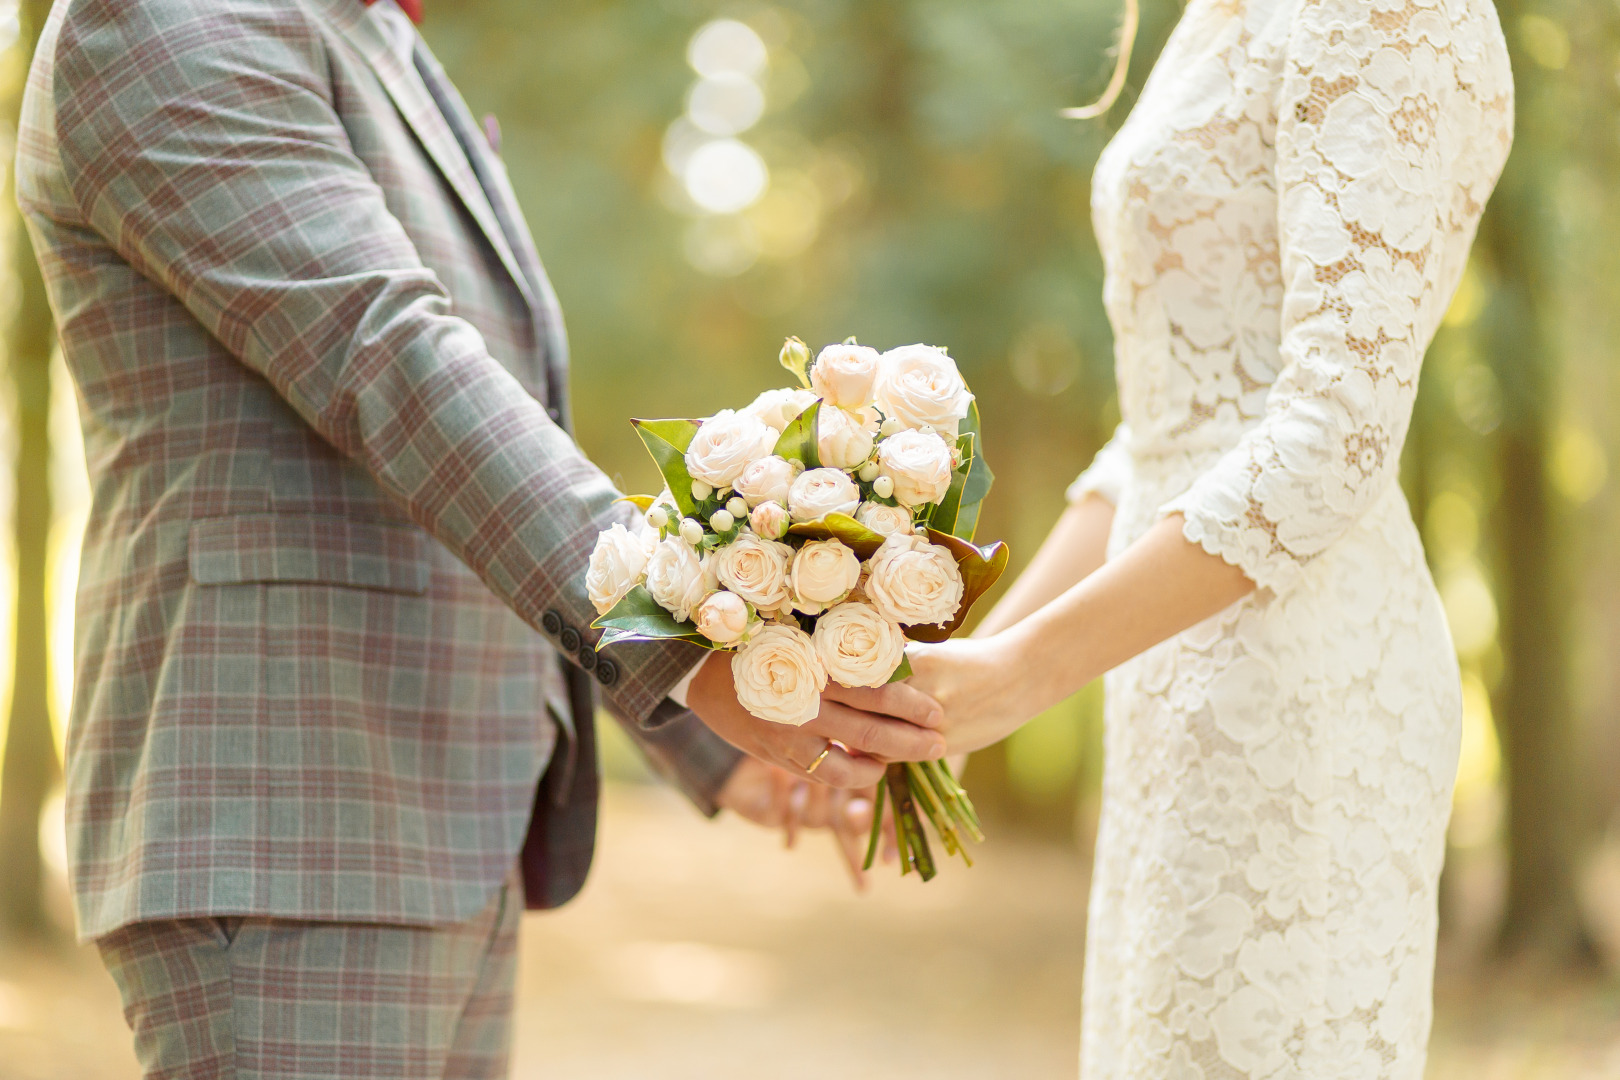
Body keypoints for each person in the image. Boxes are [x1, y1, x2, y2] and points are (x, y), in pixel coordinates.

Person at [14, 0, 943, 1075]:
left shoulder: (374, 33)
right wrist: (689, 652)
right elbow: (392, 362)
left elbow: (488, 445)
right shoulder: (164, 22)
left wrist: (714, 736)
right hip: (292, 820)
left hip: (445, 816)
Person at [906, 0, 1514, 1075]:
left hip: (1296, 669)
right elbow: (1159, 441)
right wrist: (958, 676)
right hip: (1159, 662)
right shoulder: (1211, 16)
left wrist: (1029, 670)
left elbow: (1337, 433)